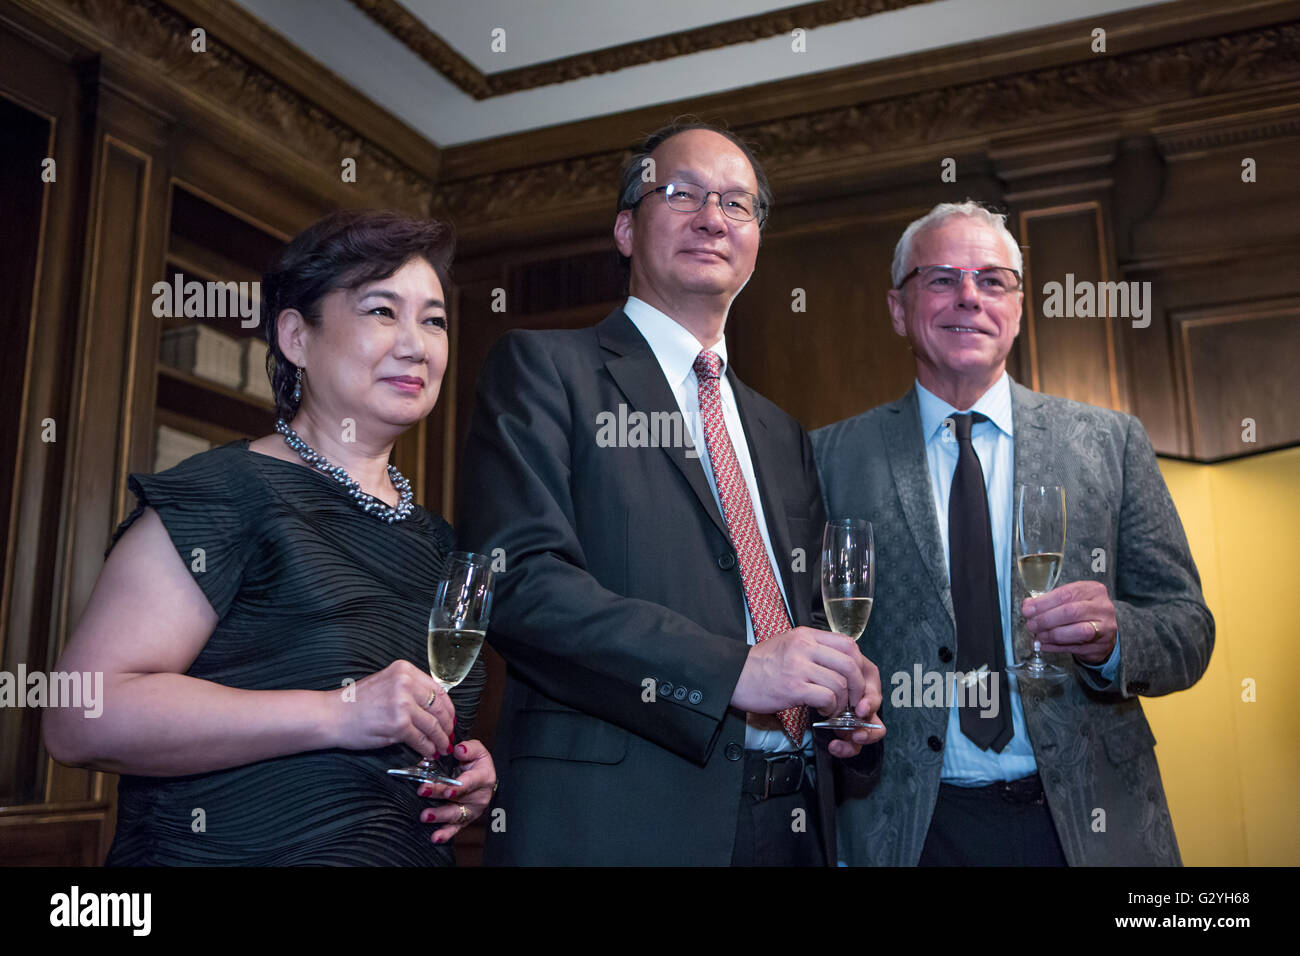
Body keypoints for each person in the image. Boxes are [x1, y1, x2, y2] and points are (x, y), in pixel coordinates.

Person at [457, 122, 886, 866]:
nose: (713, 218)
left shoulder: (782, 432)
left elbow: (802, 620)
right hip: (618, 826)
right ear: (626, 228)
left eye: (736, 203)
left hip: (795, 825)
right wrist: (736, 669)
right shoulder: (543, 370)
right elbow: (519, 584)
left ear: (755, 242)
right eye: (682, 193)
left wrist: (841, 697)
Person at [43, 210, 495, 865]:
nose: (414, 344)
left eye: (433, 320)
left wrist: (466, 775)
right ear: (295, 337)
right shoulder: (226, 493)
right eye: (380, 311)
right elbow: (79, 714)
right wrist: (339, 711)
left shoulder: (438, 544)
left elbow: (404, 737)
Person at [812, 201, 1213, 865]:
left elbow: (1189, 630)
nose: (969, 297)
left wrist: (1115, 639)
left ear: (1019, 308)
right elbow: (802, 632)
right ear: (897, 308)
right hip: (911, 831)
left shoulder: (1110, 443)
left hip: (1089, 825)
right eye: (940, 279)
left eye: (992, 280)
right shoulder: (827, 458)